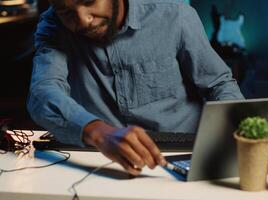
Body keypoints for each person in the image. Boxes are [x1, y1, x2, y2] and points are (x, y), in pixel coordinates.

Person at [27, 0, 244, 176]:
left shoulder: (174, 14)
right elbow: (43, 92)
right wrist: (98, 132)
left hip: (186, 154)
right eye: (66, 11)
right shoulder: (54, 25)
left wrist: (243, 132)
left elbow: (218, 84)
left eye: (89, 1)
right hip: (102, 160)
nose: (83, 20)